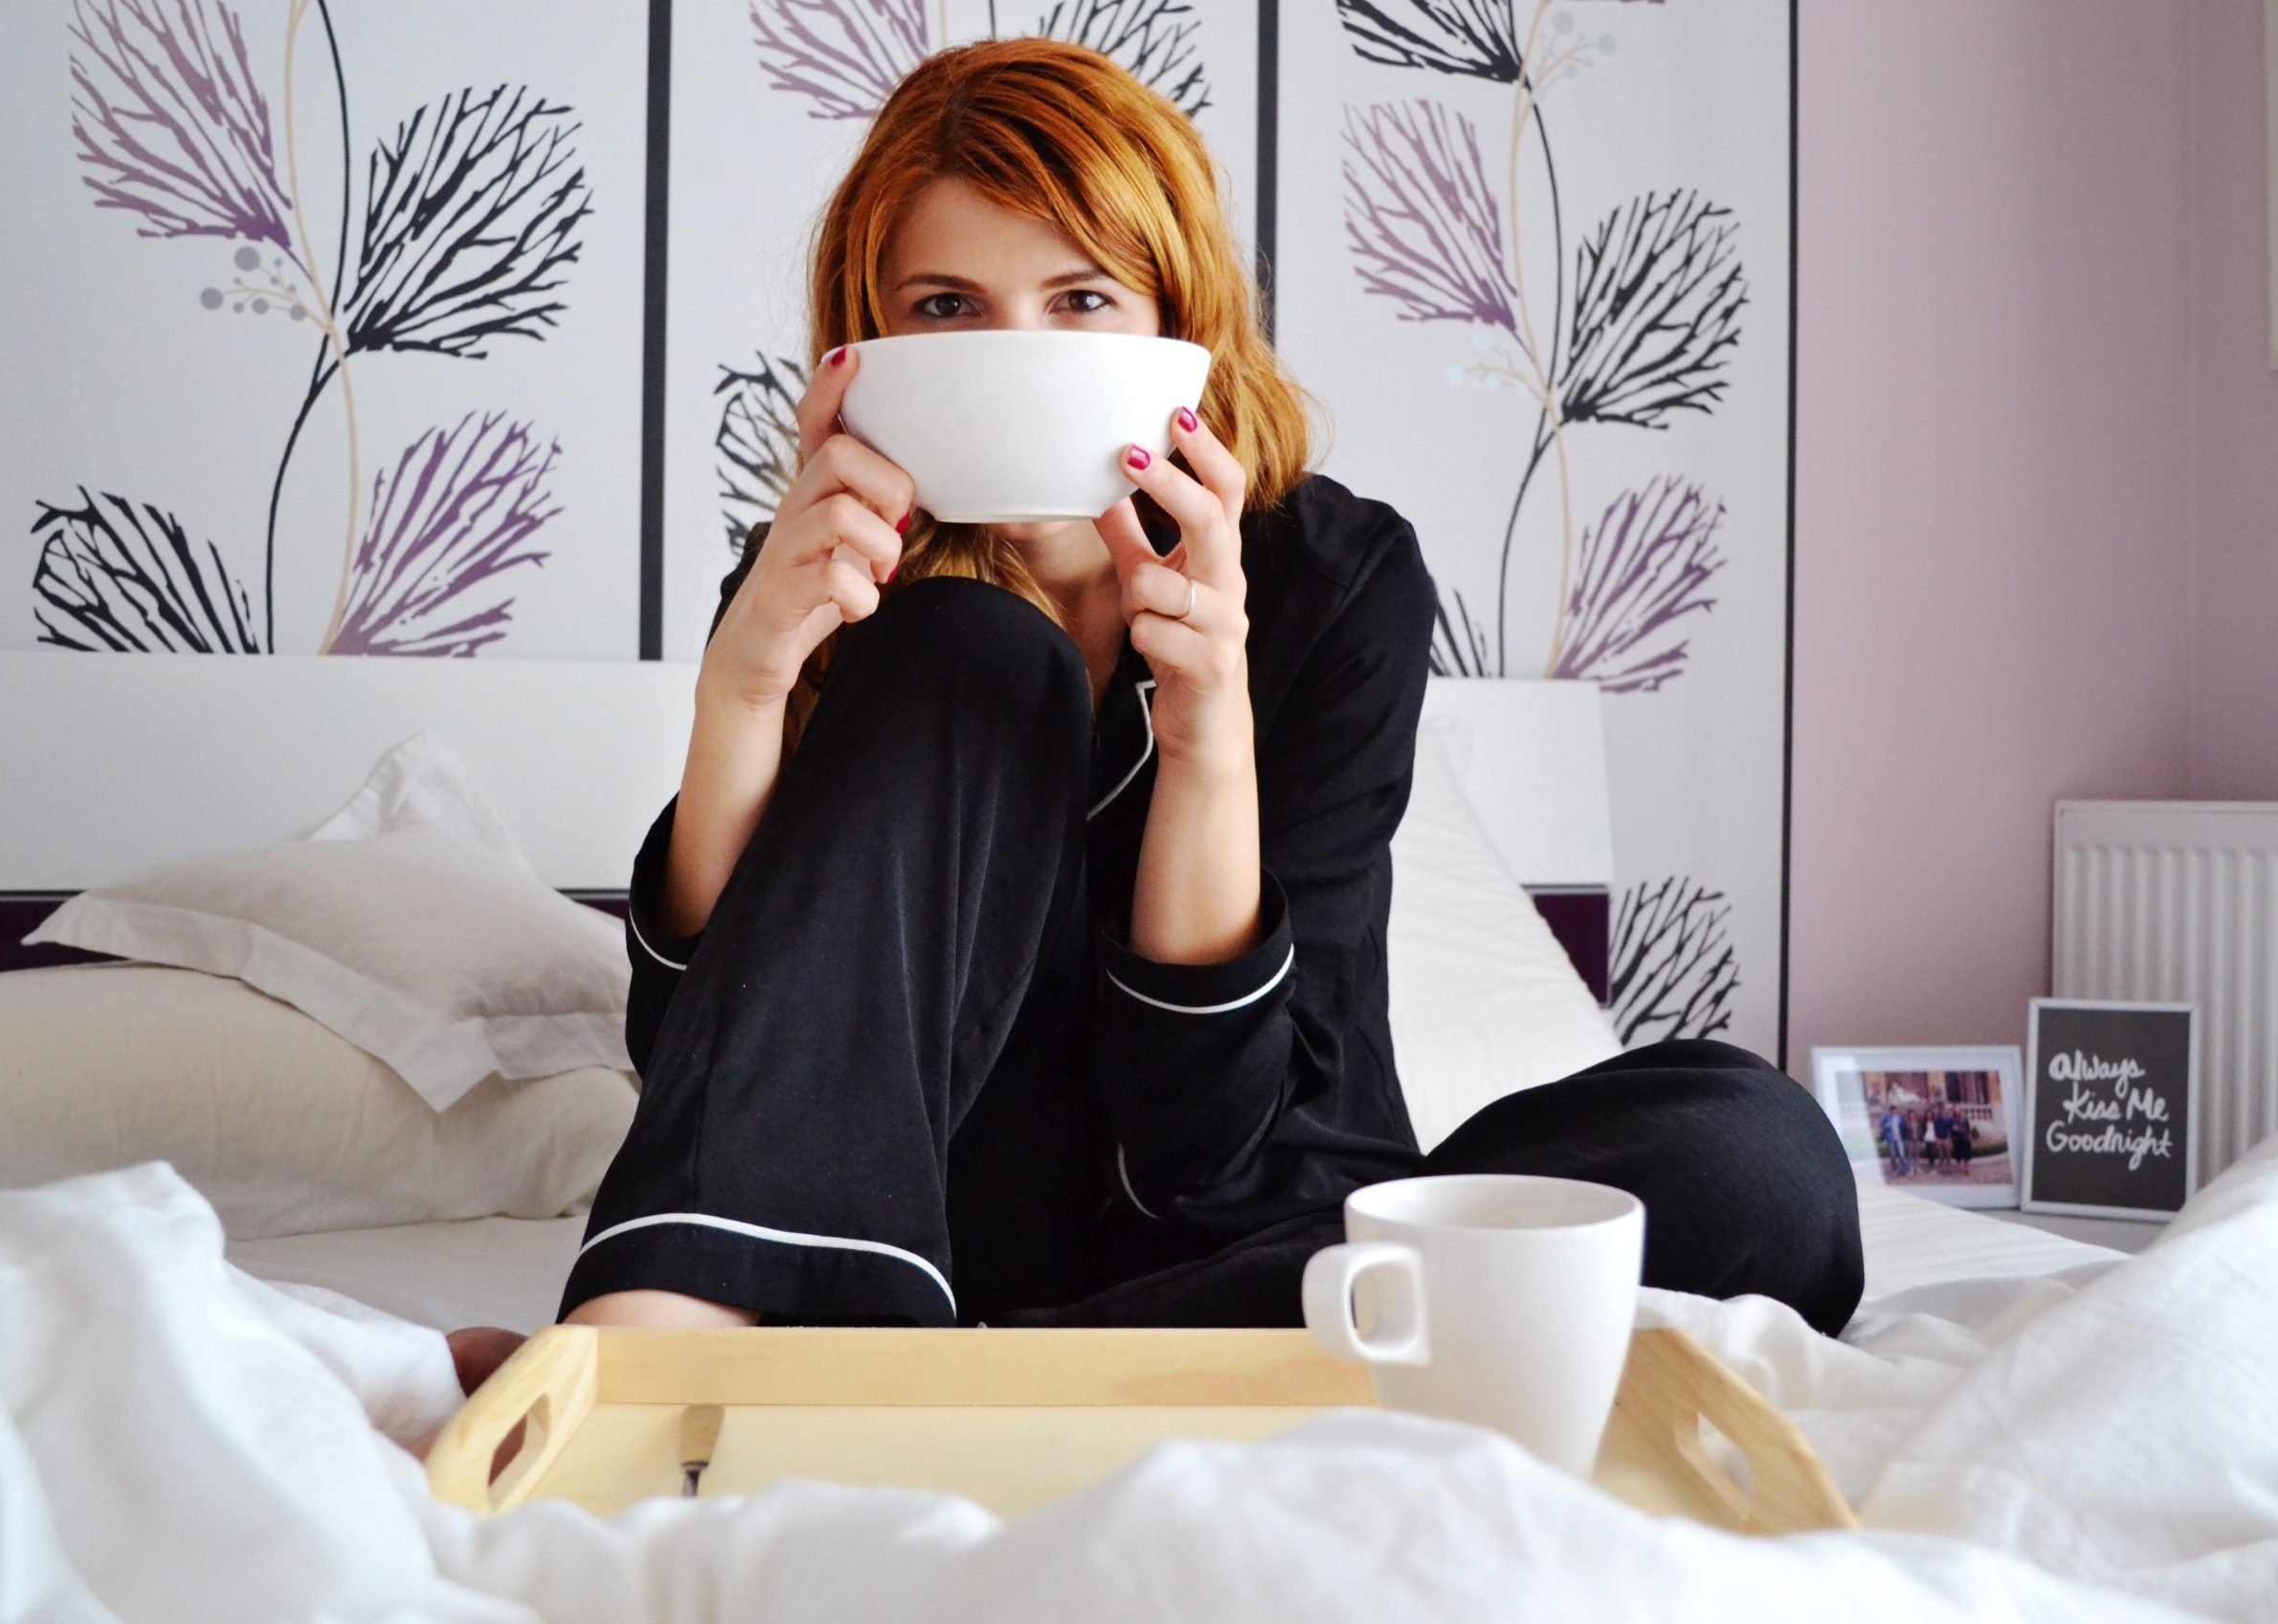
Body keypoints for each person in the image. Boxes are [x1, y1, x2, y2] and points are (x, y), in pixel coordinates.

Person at [426, 41, 1863, 1419]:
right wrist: (743, 688)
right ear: (862, 351)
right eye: (944, 308)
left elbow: (1213, 1131)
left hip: (1280, 1232)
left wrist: (1207, 722)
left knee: (1755, 1161)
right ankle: (683, 1342)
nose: (1014, 351)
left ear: (1178, 330)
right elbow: (719, 1068)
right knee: (971, 648)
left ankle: (947, 1384)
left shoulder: (1335, 579)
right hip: (922, 1234)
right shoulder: (832, 580)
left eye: (1081, 300)